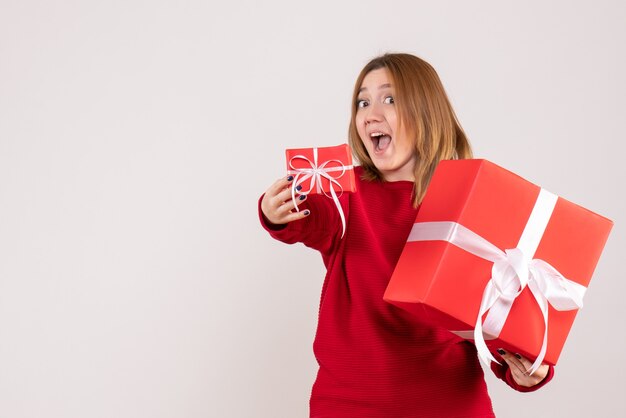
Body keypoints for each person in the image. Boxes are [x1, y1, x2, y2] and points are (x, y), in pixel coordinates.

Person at [259, 53, 553, 417]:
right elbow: (306, 218)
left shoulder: (471, 204)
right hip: (349, 405)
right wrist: (276, 212)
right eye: (362, 102)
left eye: (390, 98)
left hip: (451, 404)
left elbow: (500, 311)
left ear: (426, 111)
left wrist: (528, 370)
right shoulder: (345, 195)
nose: (370, 113)